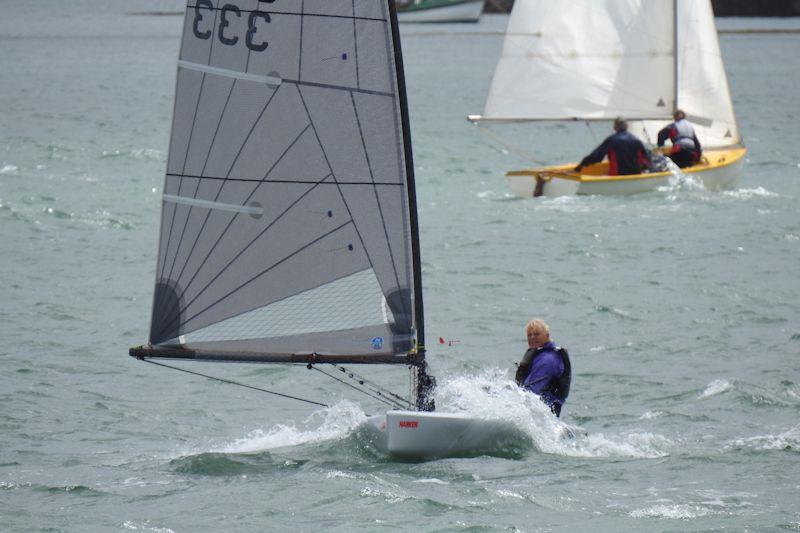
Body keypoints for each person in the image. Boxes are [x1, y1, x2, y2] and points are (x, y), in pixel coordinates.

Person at [515, 319, 571, 417]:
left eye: (536, 334)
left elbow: (531, 392)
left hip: (543, 415)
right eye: (529, 335)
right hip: (537, 412)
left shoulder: (549, 360)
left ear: (547, 335)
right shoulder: (540, 355)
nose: (532, 337)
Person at [574, 117, 651, 175]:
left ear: (615, 127)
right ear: (627, 126)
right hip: (635, 175)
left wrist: (580, 166)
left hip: (617, 176)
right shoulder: (636, 140)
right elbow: (645, 160)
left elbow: (596, 156)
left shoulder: (611, 140)